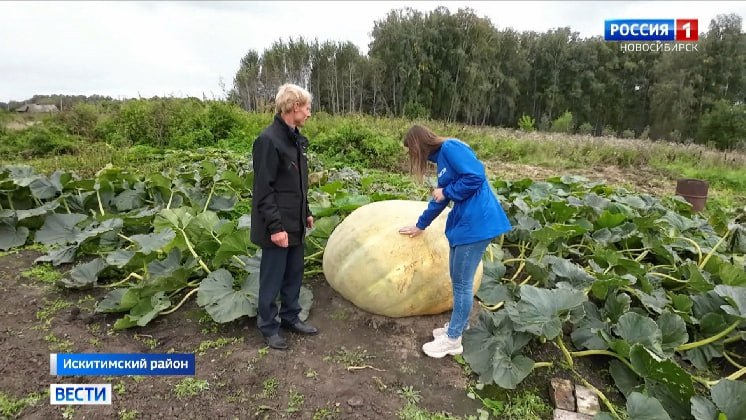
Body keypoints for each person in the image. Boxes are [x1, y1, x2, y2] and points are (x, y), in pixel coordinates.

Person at [398, 124, 512, 359]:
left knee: (462, 284)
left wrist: (447, 192)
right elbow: (439, 200)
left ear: (418, 144)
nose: (412, 155)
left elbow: (476, 176)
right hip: (467, 224)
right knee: (457, 278)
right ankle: (457, 326)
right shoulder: (442, 162)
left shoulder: (450, 147)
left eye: (411, 150)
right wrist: (420, 225)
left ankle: (453, 340)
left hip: (478, 224)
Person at [250, 83, 319, 350]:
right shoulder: (268, 141)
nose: (309, 113)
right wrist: (276, 227)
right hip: (277, 225)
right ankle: (268, 326)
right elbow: (263, 190)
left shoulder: (296, 139)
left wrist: (307, 212)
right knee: (273, 276)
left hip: (295, 222)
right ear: (292, 107)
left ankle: (291, 316)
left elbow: (298, 184)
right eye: (307, 108)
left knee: (294, 273)